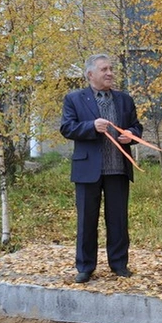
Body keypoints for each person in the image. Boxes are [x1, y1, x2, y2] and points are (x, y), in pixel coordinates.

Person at [60, 53, 143, 284]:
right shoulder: (74, 99)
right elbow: (67, 128)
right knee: (87, 221)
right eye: (104, 69)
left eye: (111, 69)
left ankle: (119, 265)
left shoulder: (124, 100)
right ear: (90, 75)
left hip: (117, 168)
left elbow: (136, 127)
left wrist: (132, 135)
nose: (110, 73)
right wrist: (91, 126)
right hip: (88, 170)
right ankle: (85, 267)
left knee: (118, 220)